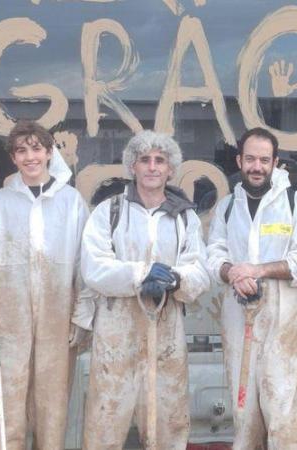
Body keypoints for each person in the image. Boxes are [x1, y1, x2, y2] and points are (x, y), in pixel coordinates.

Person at [78, 130, 210, 449]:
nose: (152, 167)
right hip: (115, 329)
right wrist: (141, 273)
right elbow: (93, 268)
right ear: (132, 167)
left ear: (170, 169)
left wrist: (176, 279)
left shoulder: (184, 217)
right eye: (144, 160)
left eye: (160, 161)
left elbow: (200, 270)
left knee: (169, 418)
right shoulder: (108, 212)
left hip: (167, 328)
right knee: (106, 417)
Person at [207, 127, 297, 450]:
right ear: (239, 160)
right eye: (250, 159)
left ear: (275, 162)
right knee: (244, 412)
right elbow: (213, 255)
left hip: (283, 321)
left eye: (264, 159)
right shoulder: (227, 207)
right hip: (238, 317)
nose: (256, 167)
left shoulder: (295, 203)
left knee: (285, 413)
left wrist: (259, 270)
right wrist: (232, 271)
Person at [0, 121, 90, 450]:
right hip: (10, 316)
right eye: (22, 150)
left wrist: (81, 314)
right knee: (9, 397)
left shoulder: (71, 201)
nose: (30, 156)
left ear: (50, 153)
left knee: (53, 401)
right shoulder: (0, 202)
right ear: (13, 158)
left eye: (37, 149)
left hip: (57, 312)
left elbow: (83, 263)